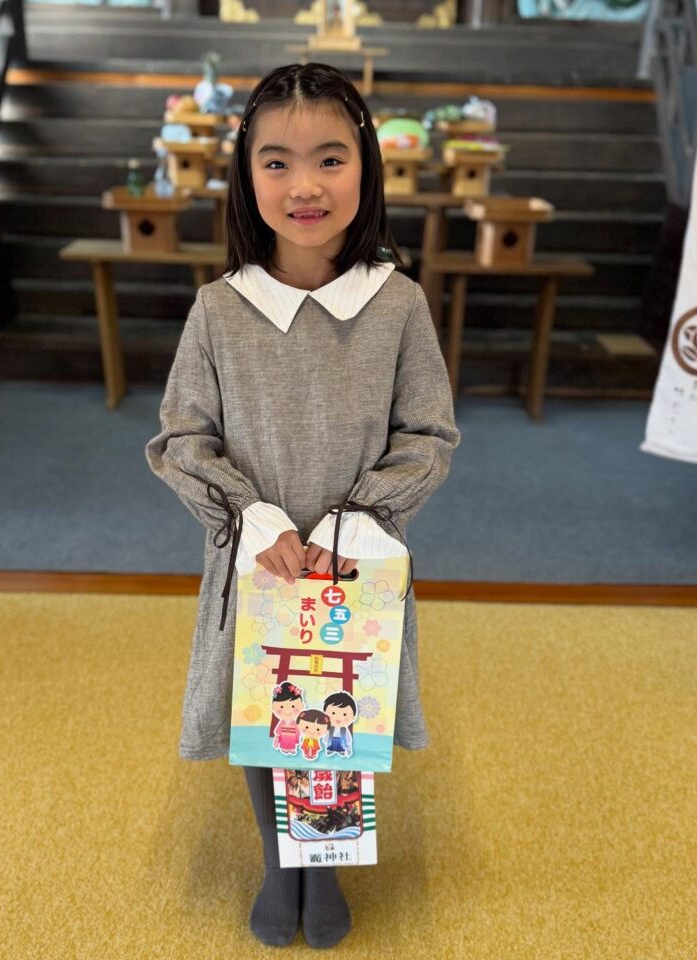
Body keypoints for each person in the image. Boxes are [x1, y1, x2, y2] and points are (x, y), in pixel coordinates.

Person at [146, 62, 460, 949]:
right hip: (258, 559)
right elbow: (181, 438)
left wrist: (356, 518)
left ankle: (322, 868)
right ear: (247, 176)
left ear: (367, 167)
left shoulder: (397, 305)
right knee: (265, 707)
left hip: (355, 558)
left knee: (337, 711)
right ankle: (279, 864)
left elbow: (428, 434)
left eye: (331, 158)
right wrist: (257, 519)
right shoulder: (219, 309)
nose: (306, 185)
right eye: (276, 162)